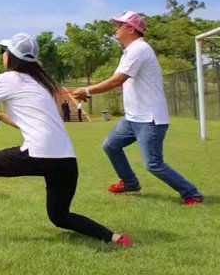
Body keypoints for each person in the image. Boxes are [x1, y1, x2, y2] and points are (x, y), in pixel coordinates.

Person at [0, 32, 133, 247]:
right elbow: (29, 124)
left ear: (10, 57)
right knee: (60, 216)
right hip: (66, 159)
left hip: (39, 153)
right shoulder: (43, 84)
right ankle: (115, 238)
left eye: (6, 51)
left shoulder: (7, 79)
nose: (4, 54)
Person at [71, 11, 204, 206]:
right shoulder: (130, 51)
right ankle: (130, 183)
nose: (116, 29)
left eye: (119, 26)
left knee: (153, 164)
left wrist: (87, 90)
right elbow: (119, 80)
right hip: (133, 118)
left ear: (131, 30)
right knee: (111, 146)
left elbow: (117, 80)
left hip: (150, 119)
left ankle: (192, 194)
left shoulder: (139, 49)